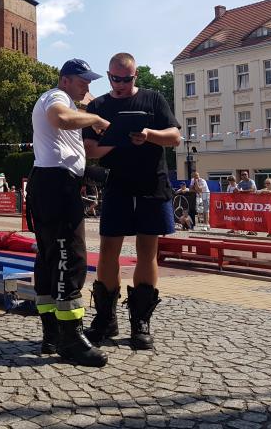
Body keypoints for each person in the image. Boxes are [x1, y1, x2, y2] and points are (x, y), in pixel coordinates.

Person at [83, 52, 181, 351]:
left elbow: (175, 137)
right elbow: (90, 149)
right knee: (108, 250)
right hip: (119, 184)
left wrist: (149, 134)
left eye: (126, 79)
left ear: (135, 76)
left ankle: (141, 321)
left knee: (147, 251)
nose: (120, 84)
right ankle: (106, 318)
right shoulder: (99, 105)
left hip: (153, 182)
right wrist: (120, 138)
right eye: (114, 78)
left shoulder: (153, 99)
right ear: (109, 75)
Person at [28, 58, 110, 367]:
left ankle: (51, 333)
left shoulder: (65, 101)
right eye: (82, 80)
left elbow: (63, 149)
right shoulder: (58, 98)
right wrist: (94, 118)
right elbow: (61, 119)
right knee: (69, 255)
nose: (87, 85)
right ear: (65, 80)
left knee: (50, 258)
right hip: (55, 186)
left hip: (51, 182)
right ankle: (71, 338)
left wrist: (90, 171)